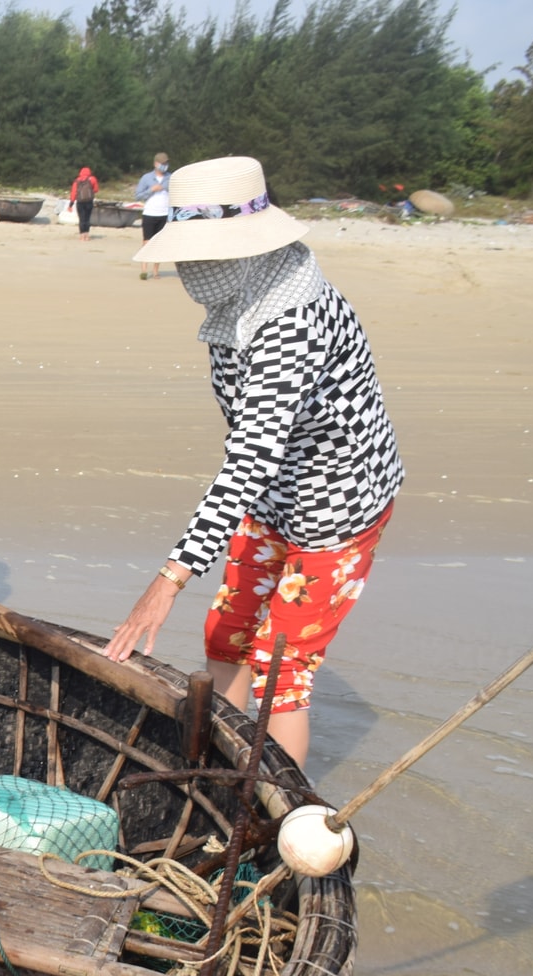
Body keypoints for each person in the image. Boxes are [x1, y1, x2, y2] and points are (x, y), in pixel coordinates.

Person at [104, 156, 404, 767]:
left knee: (279, 680)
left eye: (204, 255)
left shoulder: (289, 319)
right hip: (271, 495)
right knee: (226, 635)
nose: (192, 269)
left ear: (242, 248)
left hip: (338, 501)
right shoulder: (244, 297)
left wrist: (167, 583)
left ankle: (267, 812)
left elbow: (248, 457)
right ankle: (229, 770)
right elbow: (252, 453)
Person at [135, 152, 171, 279]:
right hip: (150, 213)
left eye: (166, 163)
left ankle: (156, 270)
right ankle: (144, 269)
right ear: (156, 164)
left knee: (159, 243)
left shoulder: (170, 178)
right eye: (162, 163)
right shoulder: (146, 178)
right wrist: (152, 190)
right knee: (147, 242)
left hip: (164, 214)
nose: (165, 165)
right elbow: (138, 195)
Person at [69, 166, 99, 241]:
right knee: (87, 218)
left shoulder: (77, 180)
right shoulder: (92, 179)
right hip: (89, 201)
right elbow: (96, 190)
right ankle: (87, 235)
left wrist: (71, 204)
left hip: (80, 202)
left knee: (81, 219)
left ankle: (82, 236)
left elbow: (74, 193)